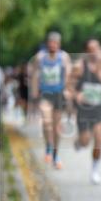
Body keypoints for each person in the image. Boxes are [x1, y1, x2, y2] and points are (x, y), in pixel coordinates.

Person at [29, 32, 72, 168]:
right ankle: (48, 145)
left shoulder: (64, 57)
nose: (53, 45)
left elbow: (68, 74)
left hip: (58, 94)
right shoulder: (40, 57)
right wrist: (34, 92)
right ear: (47, 43)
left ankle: (55, 154)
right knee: (47, 121)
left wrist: (67, 89)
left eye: (55, 43)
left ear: (59, 44)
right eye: (51, 42)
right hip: (45, 94)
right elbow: (35, 75)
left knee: (56, 127)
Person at [70, 38, 101, 184]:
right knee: (86, 141)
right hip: (84, 108)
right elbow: (69, 86)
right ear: (86, 52)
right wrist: (76, 94)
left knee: (99, 139)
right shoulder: (79, 66)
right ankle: (79, 142)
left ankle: (95, 170)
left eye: (97, 48)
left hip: (100, 107)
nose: (95, 51)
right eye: (91, 49)